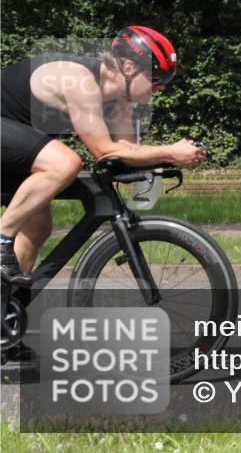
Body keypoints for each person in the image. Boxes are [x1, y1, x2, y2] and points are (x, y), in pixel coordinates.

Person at [1, 26, 206, 285]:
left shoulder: (120, 101)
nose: (162, 87)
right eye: (156, 79)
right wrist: (170, 151)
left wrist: (171, 158)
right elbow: (103, 151)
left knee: (37, 227)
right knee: (65, 163)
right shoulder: (80, 81)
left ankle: (6, 301)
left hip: (18, 143)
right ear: (129, 68)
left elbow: (126, 153)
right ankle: (2, 240)